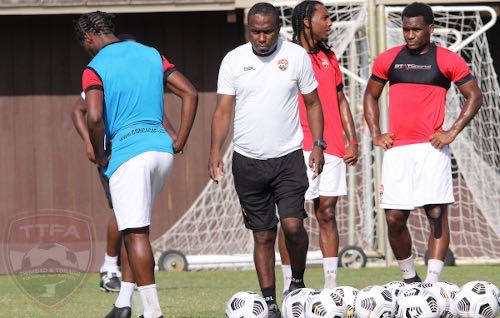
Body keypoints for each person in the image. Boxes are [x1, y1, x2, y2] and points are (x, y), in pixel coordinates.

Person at [74, 11, 198, 318]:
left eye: (84, 44)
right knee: (135, 229)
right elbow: (190, 93)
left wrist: (102, 153)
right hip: (161, 152)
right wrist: (179, 139)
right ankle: (123, 304)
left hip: (129, 154)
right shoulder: (152, 54)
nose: (85, 50)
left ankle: (153, 313)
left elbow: (92, 116)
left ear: (89, 37)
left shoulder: (94, 67)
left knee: (136, 233)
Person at [209, 2, 325, 317]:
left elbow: (313, 103)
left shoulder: (296, 56)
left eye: (268, 31)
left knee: (293, 226)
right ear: (250, 30)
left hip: (288, 158)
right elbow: (222, 111)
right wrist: (214, 152)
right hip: (247, 162)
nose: (262, 38)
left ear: (278, 28)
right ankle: (270, 303)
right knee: (262, 234)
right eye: (256, 32)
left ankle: (297, 283)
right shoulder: (233, 60)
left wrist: (317, 144)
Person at [363, 2, 482, 283]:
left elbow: (474, 96)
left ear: (431, 28)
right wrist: (376, 133)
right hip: (397, 151)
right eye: (405, 29)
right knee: (393, 218)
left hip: (432, 149)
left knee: (436, 213)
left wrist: (451, 132)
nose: (410, 35)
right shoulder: (388, 59)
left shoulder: (448, 60)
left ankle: (432, 284)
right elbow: (370, 95)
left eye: (416, 29)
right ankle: (409, 280)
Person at [277, 0, 358, 293]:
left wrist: (353, 139)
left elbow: (340, 100)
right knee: (291, 218)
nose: (331, 23)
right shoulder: (284, 54)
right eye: (325, 18)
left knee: (327, 213)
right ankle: (290, 286)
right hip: (295, 145)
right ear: (307, 22)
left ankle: (330, 285)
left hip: (332, 145)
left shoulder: (330, 57)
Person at [71, 93, 122, 293]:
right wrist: (88, 142)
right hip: (110, 153)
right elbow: (77, 110)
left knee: (134, 211)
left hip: (134, 147)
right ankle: (109, 269)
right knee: (123, 211)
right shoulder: (102, 76)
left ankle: (127, 272)